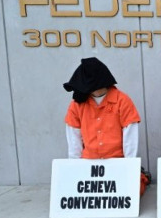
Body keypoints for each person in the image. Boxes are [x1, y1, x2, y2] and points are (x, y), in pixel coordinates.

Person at [63, 57, 149, 194]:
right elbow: (73, 137)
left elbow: (130, 136)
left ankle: (142, 176)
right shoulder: (77, 104)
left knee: (132, 191)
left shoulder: (122, 100)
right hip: (89, 162)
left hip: (117, 160)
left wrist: (129, 166)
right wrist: (76, 168)